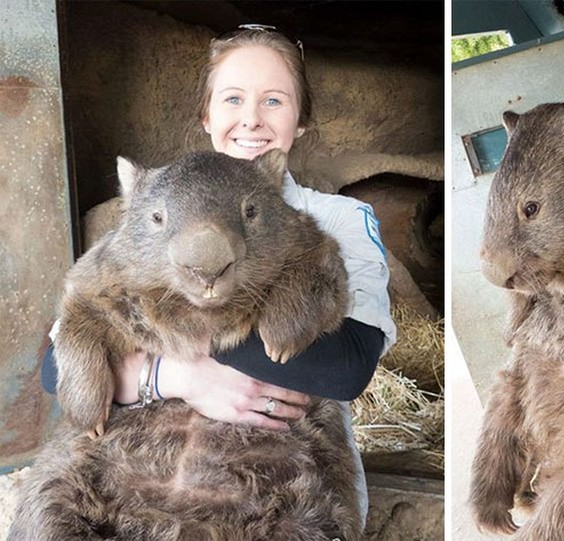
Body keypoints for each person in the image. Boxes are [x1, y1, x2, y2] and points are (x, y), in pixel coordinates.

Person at [41, 25, 397, 529]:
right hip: (123, 478)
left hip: (275, 486)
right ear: (207, 115)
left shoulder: (338, 217)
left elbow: (346, 368)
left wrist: (173, 336)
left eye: (274, 100)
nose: (251, 118)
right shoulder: (153, 200)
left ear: (300, 121)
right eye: (233, 98)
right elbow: (58, 364)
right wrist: (178, 377)